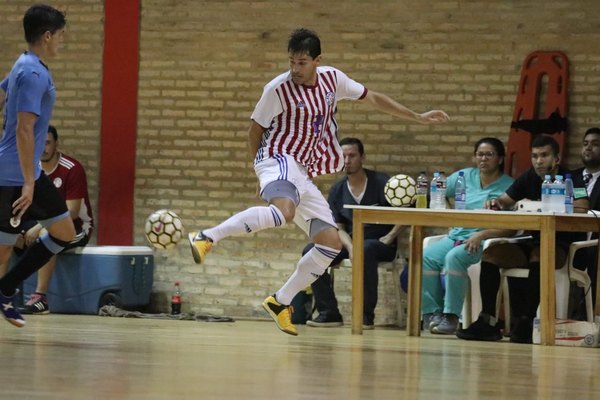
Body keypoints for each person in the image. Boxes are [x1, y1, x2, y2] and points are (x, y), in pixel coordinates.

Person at [188, 28, 449, 335]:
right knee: (282, 213)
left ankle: (280, 300)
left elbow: (373, 98)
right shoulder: (277, 89)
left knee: (330, 244)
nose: (295, 69)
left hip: (302, 170)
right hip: (276, 157)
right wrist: (259, 165)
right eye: (291, 62)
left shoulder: (333, 79)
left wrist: (416, 117)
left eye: (301, 62)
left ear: (317, 61)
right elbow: (255, 129)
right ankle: (207, 237)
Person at [456, 135, 589, 343]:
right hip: (530, 241)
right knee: (492, 254)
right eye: (535, 156)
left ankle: (525, 322)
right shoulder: (528, 177)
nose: (538, 161)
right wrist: (495, 202)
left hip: (561, 246)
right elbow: (504, 200)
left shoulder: (572, 178)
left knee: (539, 254)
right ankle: (488, 321)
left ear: (556, 158)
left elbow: (583, 209)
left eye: (544, 156)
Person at [0, 5, 75, 327]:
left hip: (24, 170)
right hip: (16, 176)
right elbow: (23, 128)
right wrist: (29, 182)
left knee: (64, 232)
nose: (62, 41)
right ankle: (6, 290)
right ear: (47, 35)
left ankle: (6, 287)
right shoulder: (32, 73)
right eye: (60, 35)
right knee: (3, 249)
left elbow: (1, 95)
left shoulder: (26, 63)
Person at [301, 137, 401, 329]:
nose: (346, 160)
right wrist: (350, 247)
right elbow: (338, 227)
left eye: (352, 156)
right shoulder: (338, 189)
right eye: (342, 156)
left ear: (363, 157)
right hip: (351, 242)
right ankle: (329, 313)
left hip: (381, 243)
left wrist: (391, 235)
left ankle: (365, 316)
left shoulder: (382, 182)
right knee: (310, 251)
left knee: (366, 249)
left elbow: (408, 211)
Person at [421, 137, 515, 335]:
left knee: (453, 257)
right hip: (455, 235)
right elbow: (437, 190)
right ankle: (433, 312)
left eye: (489, 155)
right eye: (480, 154)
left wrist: (482, 234)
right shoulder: (463, 176)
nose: (483, 159)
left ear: (499, 159)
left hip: (482, 241)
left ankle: (451, 316)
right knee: (427, 256)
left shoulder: (509, 186)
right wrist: (447, 211)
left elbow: (511, 227)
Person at [9, 125, 93, 314]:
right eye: (40, 143)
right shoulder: (30, 170)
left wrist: (39, 228)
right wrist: (18, 229)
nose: (44, 148)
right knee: (7, 235)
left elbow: (71, 212)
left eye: (48, 143)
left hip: (77, 228)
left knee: (50, 235)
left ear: (57, 144)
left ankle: (40, 298)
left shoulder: (72, 169)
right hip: (40, 223)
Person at [569, 127, 600, 311]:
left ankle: (589, 314)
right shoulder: (569, 178)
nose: (588, 148)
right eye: (585, 144)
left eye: (595, 144)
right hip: (569, 239)